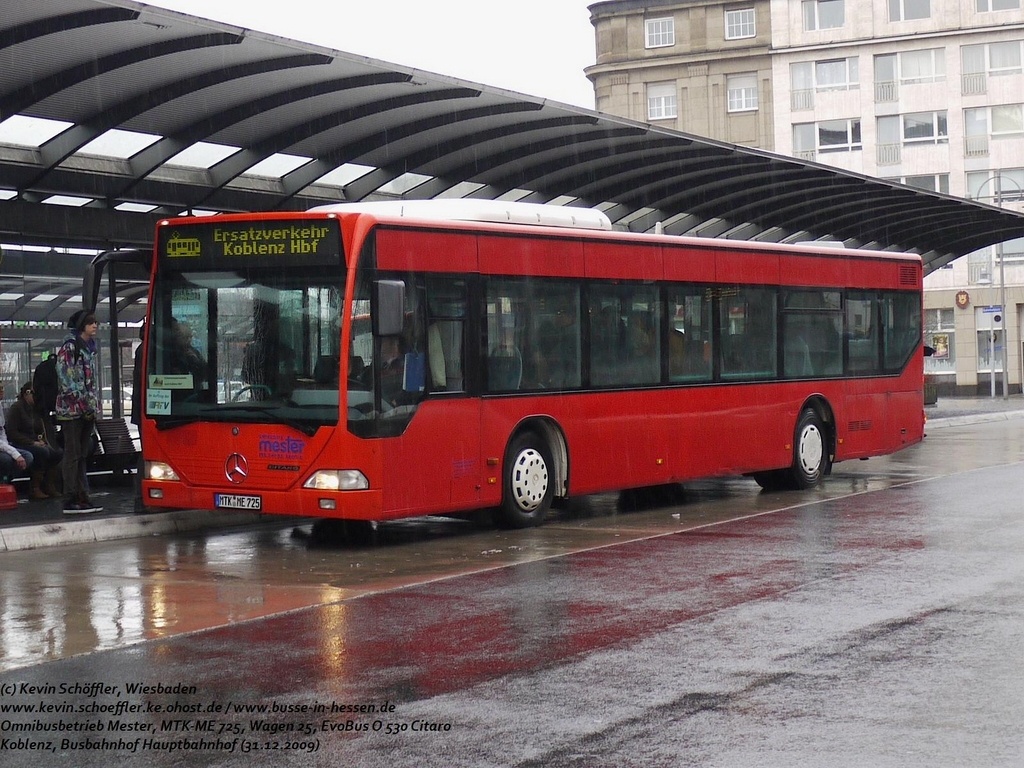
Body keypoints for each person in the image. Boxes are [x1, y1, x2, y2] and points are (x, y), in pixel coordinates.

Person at [55, 310, 102, 514]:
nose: (95, 326)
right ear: (82, 325)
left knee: (82, 454)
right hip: (71, 411)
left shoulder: (89, 349)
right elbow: (67, 380)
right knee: (73, 454)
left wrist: (91, 406)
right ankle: (70, 497)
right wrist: (83, 403)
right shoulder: (70, 348)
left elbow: (90, 382)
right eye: (91, 323)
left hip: (85, 411)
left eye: (95, 323)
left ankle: (83, 496)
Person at [5, 382, 62, 499]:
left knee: (57, 452)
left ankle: (49, 484)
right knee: (41, 452)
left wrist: (44, 440)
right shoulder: (17, 408)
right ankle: (35, 487)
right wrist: (32, 442)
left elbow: (42, 429)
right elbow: (12, 432)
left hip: (36, 441)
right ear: (27, 393)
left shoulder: (36, 410)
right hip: (20, 443)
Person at [0, 383, 33, 485]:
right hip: (4, 446)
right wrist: (14, 453)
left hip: (4, 445)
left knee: (28, 456)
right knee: (7, 459)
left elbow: (2, 431)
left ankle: (6, 480)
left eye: (2, 388)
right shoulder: (17, 407)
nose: (2, 391)